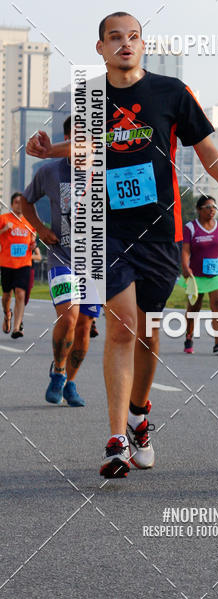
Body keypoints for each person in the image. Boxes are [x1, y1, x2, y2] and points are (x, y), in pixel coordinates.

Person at [26, 11, 218, 478]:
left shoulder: (171, 92)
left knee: (148, 332)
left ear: (143, 45)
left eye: (134, 37)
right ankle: (116, 440)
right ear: (100, 48)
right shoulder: (90, 95)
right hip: (107, 229)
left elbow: (204, 143)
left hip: (161, 230)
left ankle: (140, 417)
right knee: (121, 328)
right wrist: (50, 150)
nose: (125, 43)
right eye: (115, 37)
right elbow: (88, 147)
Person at [22, 115, 99, 406]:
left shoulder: (105, 170)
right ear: (66, 140)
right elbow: (26, 201)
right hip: (61, 256)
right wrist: (40, 229)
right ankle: (58, 371)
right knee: (69, 318)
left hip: (95, 262)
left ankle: (71, 382)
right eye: (75, 138)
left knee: (84, 326)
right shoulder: (50, 171)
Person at [181, 195, 218, 355]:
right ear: (199, 209)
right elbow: (185, 250)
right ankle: (189, 337)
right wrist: (185, 266)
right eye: (208, 207)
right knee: (194, 308)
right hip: (196, 275)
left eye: (214, 207)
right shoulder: (190, 227)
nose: (212, 210)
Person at [0, 193, 36, 339]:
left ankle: (16, 328)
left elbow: (33, 239)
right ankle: (7, 313)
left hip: (24, 263)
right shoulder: (4, 219)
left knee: (20, 293)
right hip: (7, 263)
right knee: (6, 295)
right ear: (11, 204)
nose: (19, 205)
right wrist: (4, 229)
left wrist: (33, 245)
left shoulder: (29, 221)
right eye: (16, 202)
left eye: (21, 202)